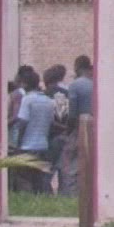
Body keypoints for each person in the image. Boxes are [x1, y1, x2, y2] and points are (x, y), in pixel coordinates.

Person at [15, 71, 58, 194]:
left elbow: (22, 123)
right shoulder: (48, 101)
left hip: (27, 146)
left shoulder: (27, 100)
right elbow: (51, 123)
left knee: (25, 179)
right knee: (40, 180)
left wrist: (18, 144)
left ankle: (27, 200)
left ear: (25, 84)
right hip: (43, 146)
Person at [60, 55, 94, 196]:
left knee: (71, 163)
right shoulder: (96, 83)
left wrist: (68, 131)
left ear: (77, 67)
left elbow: (72, 113)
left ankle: (71, 194)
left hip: (79, 128)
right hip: (95, 127)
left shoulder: (76, 85)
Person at [42, 64, 71, 193]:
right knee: (64, 170)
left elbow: (48, 119)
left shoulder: (45, 94)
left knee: (47, 169)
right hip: (66, 134)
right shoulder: (67, 93)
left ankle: (46, 194)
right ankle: (64, 195)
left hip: (51, 136)